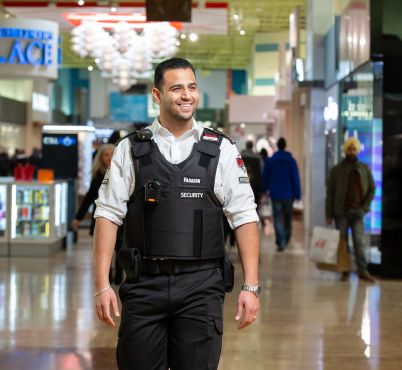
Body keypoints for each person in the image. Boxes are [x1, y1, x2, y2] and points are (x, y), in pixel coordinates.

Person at [93, 58, 260, 370]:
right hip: (143, 287)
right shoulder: (129, 150)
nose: (187, 95)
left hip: (202, 287)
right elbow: (107, 215)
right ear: (157, 95)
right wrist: (102, 283)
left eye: (192, 87)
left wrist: (251, 286)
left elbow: (245, 216)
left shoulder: (221, 149)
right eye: (177, 88)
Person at [71, 144, 124, 284]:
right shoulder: (98, 175)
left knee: (120, 247)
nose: (110, 157)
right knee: (104, 249)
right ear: (101, 158)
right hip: (102, 216)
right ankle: (106, 278)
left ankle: (118, 274)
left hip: (120, 217)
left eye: (112, 153)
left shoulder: (123, 172)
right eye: (106, 154)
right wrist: (78, 217)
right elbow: (89, 197)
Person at [326, 138, 376, 282]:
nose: (351, 152)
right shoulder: (337, 170)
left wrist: (364, 207)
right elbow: (331, 193)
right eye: (349, 149)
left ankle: (363, 271)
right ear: (345, 150)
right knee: (342, 244)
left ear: (357, 151)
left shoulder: (364, 169)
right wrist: (328, 214)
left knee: (359, 242)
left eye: (354, 149)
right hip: (341, 212)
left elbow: (372, 189)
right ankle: (344, 270)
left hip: (358, 212)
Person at [262, 137, 301, 251]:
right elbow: (296, 179)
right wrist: (298, 194)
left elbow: (265, 177)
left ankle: (281, 241)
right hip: (289, 195)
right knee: (288, 219)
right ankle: (285, 240)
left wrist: (264, 190)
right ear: (285, 146)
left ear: (277, 146)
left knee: (277, 219)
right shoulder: (292, 161)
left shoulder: (271, 161)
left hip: (276, 194)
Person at [241, 140, 264, 207]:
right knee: (254, 203)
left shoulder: (240, 156)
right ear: (252, 146)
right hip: (255, 184)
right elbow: (262, 170)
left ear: (246, 146)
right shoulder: (258, 157)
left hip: (243, 183)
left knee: (243, 203)